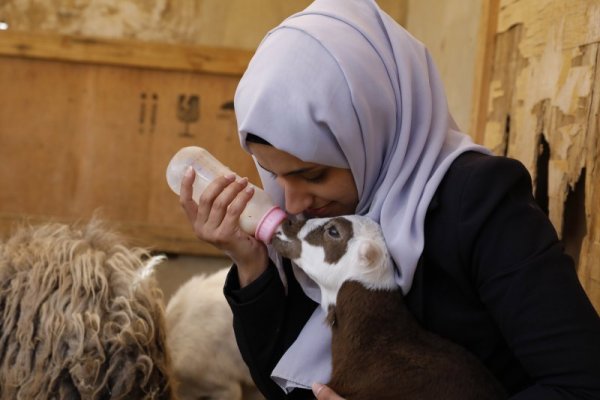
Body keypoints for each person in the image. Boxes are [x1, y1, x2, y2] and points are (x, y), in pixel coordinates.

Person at [177, 0, 600, 399]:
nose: (292, 201)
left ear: (370, 130)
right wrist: (251, 263)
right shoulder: (326, 227)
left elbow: (582, 384)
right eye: (274, 174)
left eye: (313, 173)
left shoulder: (479, 202)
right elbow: (289, 386)